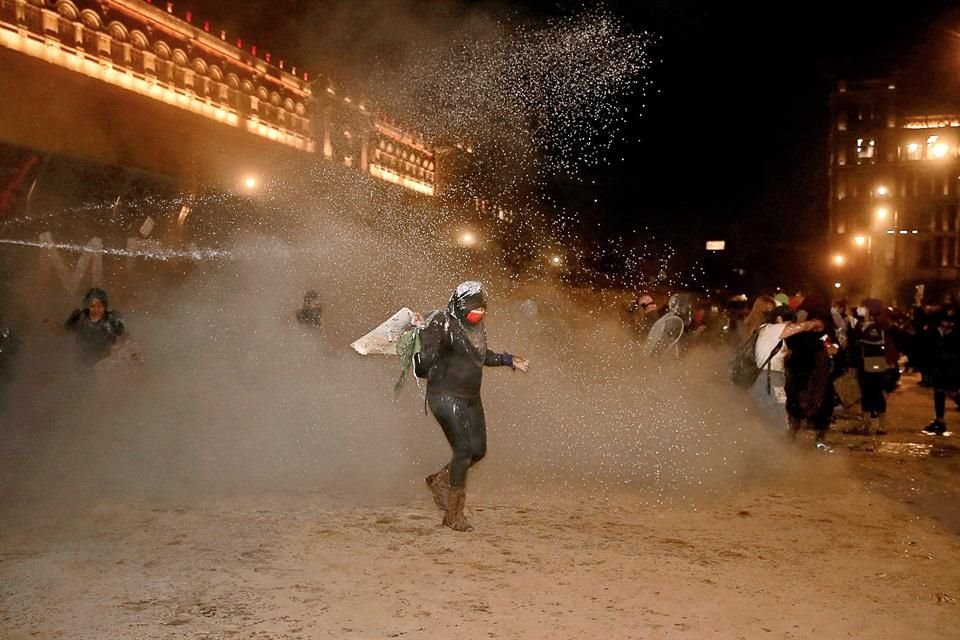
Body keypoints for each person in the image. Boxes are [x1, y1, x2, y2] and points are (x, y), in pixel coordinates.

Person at [415, 281, 529, 532]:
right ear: (459, 304)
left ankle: (439, 481)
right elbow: (423, 366)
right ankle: (453, 515)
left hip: (470, 397)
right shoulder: (440, 323)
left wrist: (508, 359)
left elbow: (479, 355)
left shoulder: (475, 328)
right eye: (472, 308)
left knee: (478, 450)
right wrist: (423, 342)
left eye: (481, 308)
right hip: (444, 396)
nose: (477, 313)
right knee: (464, 450)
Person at [750, 306, 824, 431]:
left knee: (766, 416)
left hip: (764, 378)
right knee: (777, 419)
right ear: (779, 319)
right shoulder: (773, 329)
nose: (789, 327)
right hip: (771, 379)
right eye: (788, 323)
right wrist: (815, 323)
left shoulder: (764, 330)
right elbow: (801, 327)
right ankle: (775, 446)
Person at [784, 294, 839, 452]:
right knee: (798, 404)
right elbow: (793, 345)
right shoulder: (802, 328)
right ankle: (797, 435)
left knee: (819, 406)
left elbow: (834, 345)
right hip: (805, 371)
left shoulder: (825, 328)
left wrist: (832, 349)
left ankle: (816, 439)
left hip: (818, 374)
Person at [919, 304, 960, 436]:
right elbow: (928, 349)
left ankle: (940, 420)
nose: (948, 324)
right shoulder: (933, 332)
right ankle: (939, 420)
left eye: (950, 321)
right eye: (945, 321)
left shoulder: (955, 333)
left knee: (951, 392)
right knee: (939, 392)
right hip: (938, 367)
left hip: (951, 366)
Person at [63, 287, 127, 367]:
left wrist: (117, 347)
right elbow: (65, 332)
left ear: (105, 306)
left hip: (105, 361)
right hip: (82, 360)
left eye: (99, 306)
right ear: (87, 306)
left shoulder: (111, 318)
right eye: (92, 306)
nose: (96, 310)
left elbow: (123, 335)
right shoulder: (80, 316)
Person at [643, 293, 695, 358]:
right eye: (688, 306)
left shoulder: (669, 318)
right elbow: (663, 344)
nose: (690, 310)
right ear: (680, 306)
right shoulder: (675, 321)